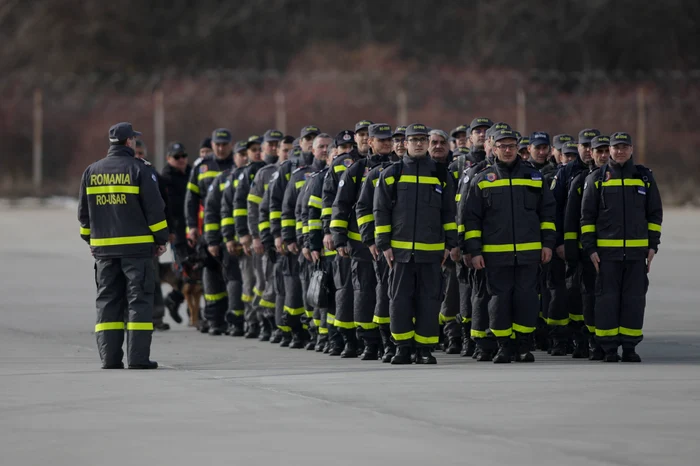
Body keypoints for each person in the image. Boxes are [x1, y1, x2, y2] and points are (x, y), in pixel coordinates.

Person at [78, 122, 167, 369]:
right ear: (129, 142)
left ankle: (110, 359)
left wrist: (91, 240)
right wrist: (161, 240)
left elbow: (84, 216)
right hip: (137, 251)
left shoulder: (91, 171)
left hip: (104, 252)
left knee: (108, 302)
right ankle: (138, 359)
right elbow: (155, 210)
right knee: (138, 301)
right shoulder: (140, 170)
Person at [462, 128, 556, 364]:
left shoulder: (534, 177)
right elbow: (471, 219)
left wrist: (547, 244)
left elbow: (547, 213)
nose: (507, 150)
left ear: (518, 149)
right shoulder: (482, 179)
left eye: (511, 146)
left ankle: (523, 346)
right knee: (499, 301)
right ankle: (503, 346)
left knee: (526, 299)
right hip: (495, 256)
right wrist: (474, 251)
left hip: (528, 253)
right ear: (493, 149)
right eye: (502, 146)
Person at [373, 123, 457, 365]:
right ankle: (402, 347)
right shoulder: (392, 173)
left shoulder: (441, 174)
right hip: (399, 253)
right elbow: (380, 211)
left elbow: (449, 213)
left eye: (423, 139)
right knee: (399, 300)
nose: (419, 143)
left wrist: (449, 245)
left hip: (432, 253)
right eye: (414, 139)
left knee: (429, 301)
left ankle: (424, 348)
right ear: (405, 143)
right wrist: (384, 245)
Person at [580, 132, 663, 362]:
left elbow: (654, 214)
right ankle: (608, 348)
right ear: (611, 150)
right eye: (616, 147)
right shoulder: (597, 178)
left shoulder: (644, 178)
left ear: (631, 149)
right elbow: (586, 217)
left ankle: (629, 347)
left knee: (634, 301)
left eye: (624, 147)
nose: (619, 151)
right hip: (606, 256)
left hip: (637, 255)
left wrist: (652, 246)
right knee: (606, 301)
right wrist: (591, 249)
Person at [331, 124, 394, 359]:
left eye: (389, 139)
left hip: (390, 246)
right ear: (370, 143)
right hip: (361, 246)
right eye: (381, 140)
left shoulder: (399, 168)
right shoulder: (356, 169)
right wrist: (339, 239)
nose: (386, 143)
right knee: (363, 294)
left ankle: (389, 340)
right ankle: (368, 342)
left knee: (388, 294)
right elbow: (341, 205)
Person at [185, 128, 236, 334]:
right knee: (210, 274)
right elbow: (191, 200)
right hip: (209, 229)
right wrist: (191, 228)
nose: (221, 148)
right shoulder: (202, 166)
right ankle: (214, 320)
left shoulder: (238, 164)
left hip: (233, 229)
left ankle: (233, 318)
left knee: (233, 275)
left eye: (224, 144)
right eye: (217, 144)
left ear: (231, 144)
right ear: (212, 145)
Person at [564, 135, 610, 359]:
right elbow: (571, 221)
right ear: (590, 153)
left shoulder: (626, 178)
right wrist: (573, 254)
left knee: (608, 298)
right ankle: (590, 340)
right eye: (597, 151)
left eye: (605, 151)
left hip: (613, 253)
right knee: (587, 297)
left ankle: (607, 340)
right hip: (587, 254)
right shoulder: (580, 180)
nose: (602, 156)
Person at [134, 139, 171, 331]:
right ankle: (128, 318)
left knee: (153, 280)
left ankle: (156, 317)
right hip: (132, 239)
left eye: (141, 153)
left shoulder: (152, 175)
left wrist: (162, 237)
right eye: (136, 153)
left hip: (149, 239)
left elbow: (162, 208)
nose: (139, 157)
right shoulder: (127, 174)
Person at [160, 142, 193, 325]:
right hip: (178, 231)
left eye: (183, 156)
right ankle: (177, 300)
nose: (181, 160)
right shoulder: (165, 178)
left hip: (194, 229)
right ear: (168, 159)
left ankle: (184, 304)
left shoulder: (192, 172)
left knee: (196, 272)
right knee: (185, 270)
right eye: (176, 157)